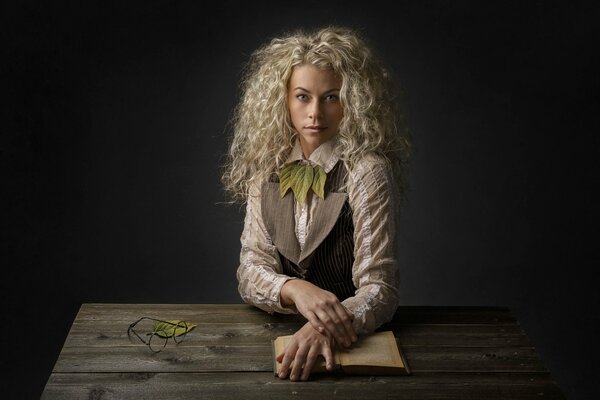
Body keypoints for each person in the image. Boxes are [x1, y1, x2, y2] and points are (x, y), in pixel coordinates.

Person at [221, 26, 411, 381]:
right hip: (268, 342)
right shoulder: (265, 169)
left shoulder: (367, 172)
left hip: (350, 343)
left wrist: (325, 326)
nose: (315, 114)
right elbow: (250, 272)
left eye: (331, 97)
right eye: (303, 97)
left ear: (352, 102)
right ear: (284, 100)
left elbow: (380, 289)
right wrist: (295, 289)